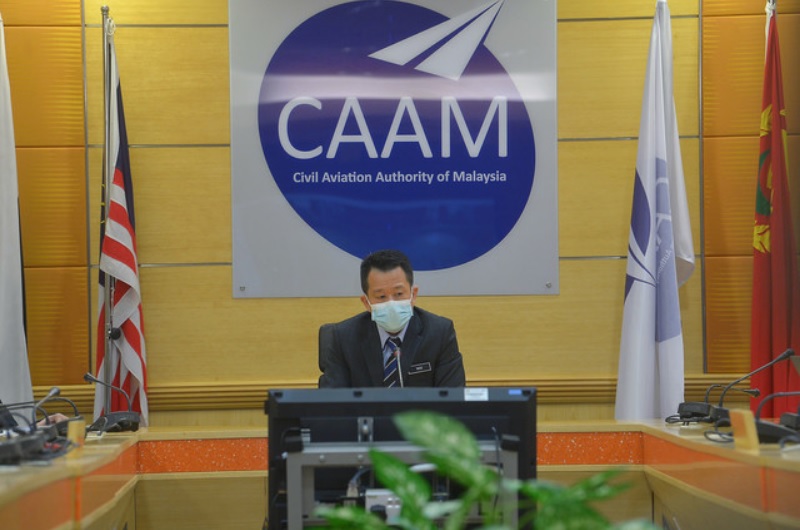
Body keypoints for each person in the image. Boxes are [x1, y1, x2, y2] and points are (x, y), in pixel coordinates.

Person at [318, 249, 466, 388]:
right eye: (381, 296)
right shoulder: (343, 338)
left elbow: (454, 399)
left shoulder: (439, 333)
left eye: (399, 294)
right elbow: (331, 404)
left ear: (413, 295)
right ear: (366, 303)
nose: (391, 302)